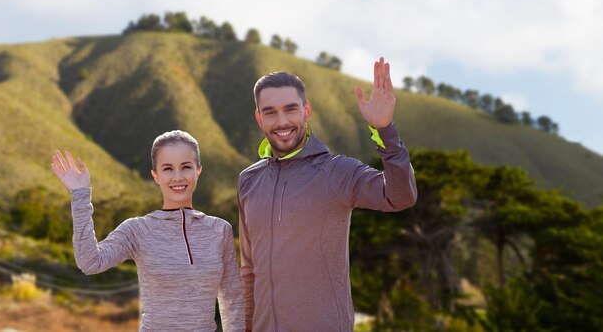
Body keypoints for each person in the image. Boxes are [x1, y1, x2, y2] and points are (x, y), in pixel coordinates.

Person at [237, 57, 417, 331]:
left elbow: (400, 196)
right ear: (259, 117)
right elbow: (249, 270)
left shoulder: (337, 172)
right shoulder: (249, 181)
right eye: (270, 112)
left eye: (291, 109)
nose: (282, 121)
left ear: (306, 111)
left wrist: (385, 131)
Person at [51, 130, 244, 332]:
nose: (177, 177)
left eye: (186, 167)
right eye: (167, 169)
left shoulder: (220, 230)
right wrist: (80, 195)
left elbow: (232, 299)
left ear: (198, 170)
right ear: (156, 175)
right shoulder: (138, 229)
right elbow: (90, 262)